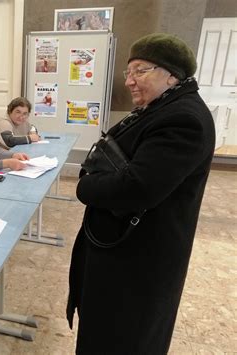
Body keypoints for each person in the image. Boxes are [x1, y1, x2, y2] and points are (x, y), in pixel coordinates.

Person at [67, 33, 215, 353]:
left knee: (124, 340)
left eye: (141, 71)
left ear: (171, 74)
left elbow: (137, 188)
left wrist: (85, 185)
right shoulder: (159, 108)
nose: (130, 81)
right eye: (128, 72)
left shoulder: (183, 119)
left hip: (138, 267)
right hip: (125, 255)